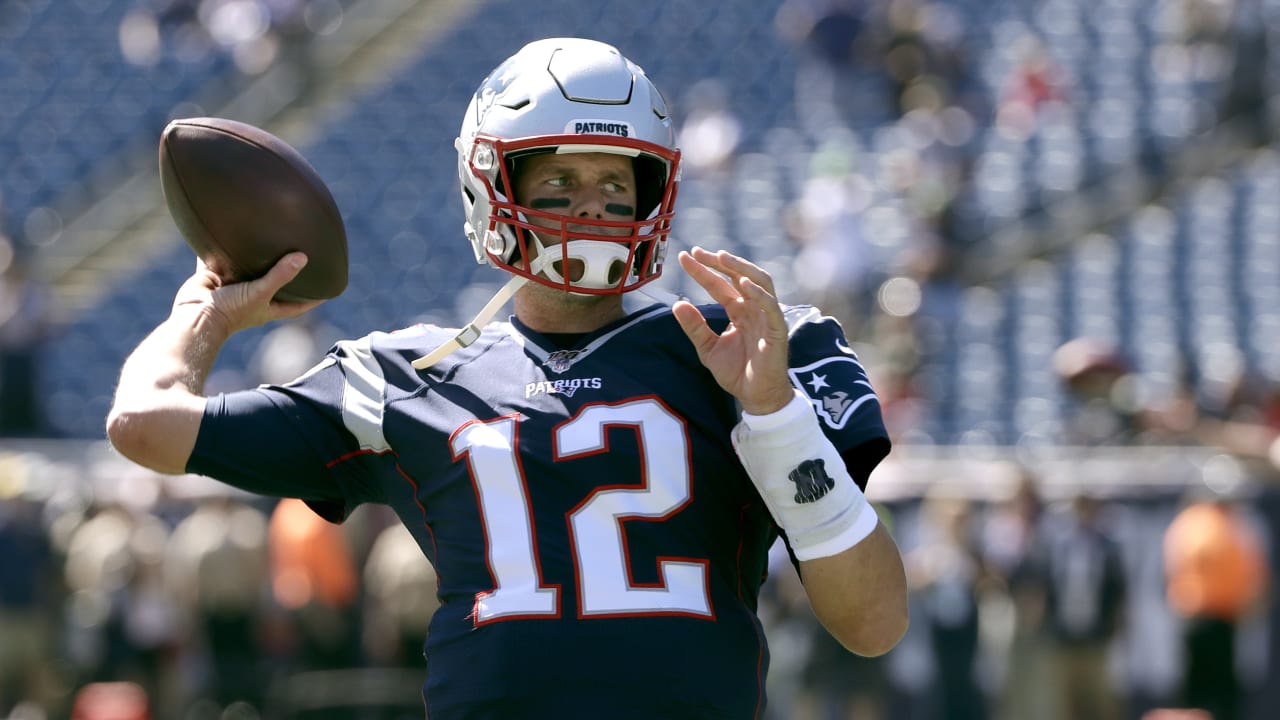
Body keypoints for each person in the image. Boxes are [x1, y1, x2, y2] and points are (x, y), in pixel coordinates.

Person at [106, 37, 909, 718]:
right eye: (556, 181)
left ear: (654, 194)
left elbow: (874, 621)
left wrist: (773, 413)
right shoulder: (404, 376)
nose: (587, 208)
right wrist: (206, 310)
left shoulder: (755, 349)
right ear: (492, 184)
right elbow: (144, 424)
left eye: (614, 182)